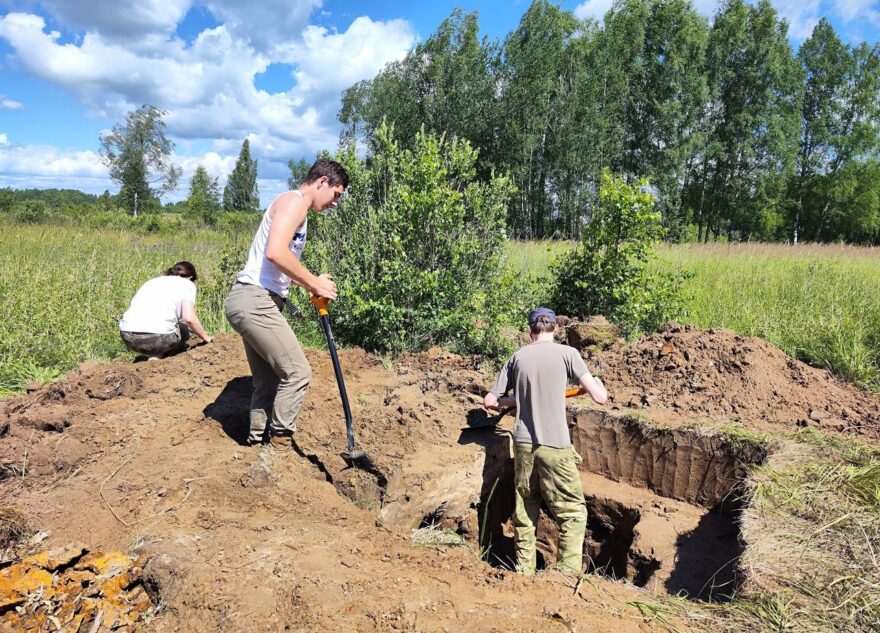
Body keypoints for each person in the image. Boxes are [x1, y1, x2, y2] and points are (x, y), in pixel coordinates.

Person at [225, 159, 348, 450]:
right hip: (254, 299)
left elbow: (280, 263)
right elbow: (275, 253)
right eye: (336, 195)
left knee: (267, 382)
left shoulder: (297, 210)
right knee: (298, 372)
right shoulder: (294, 202)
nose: (335, 203)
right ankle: (280, 447)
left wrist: (308, 281)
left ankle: (255, 446)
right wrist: (315, 284)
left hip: (254, 298)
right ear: (322, 183)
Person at [484, 307, 607, 575]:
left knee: (525, 510)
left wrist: (518, 400)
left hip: (524, 446)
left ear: (530, 331)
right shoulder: (568, 354)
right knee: (572, 513)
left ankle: (524, 573)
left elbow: (490, 401)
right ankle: (566, 575)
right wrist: (599, 385)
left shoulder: (517, 357)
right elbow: (599, 397)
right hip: (556, 447)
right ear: (556, 329)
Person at [119, 261, 214, 359]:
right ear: (190, 277)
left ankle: (155, 355)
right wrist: (205, 337)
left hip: (128, 337)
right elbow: (189, 318)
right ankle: (160, 355)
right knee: (184, 330)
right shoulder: (187, 284)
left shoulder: (152, 281)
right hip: (159, 339)